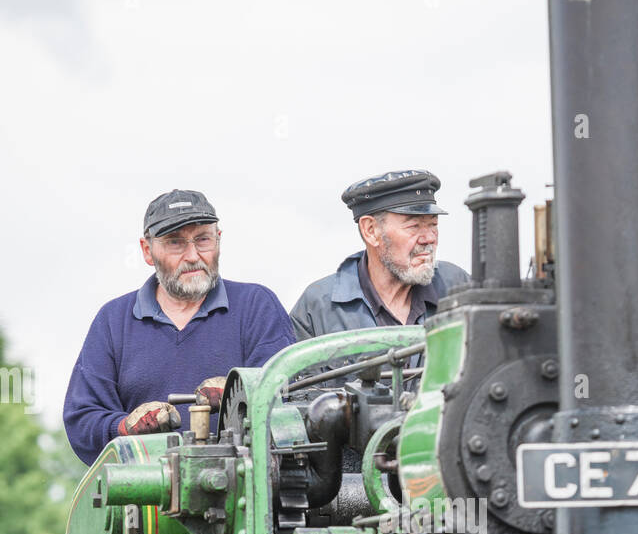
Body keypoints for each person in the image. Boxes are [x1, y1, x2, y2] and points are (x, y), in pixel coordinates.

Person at [64, 189, 295, 465]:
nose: (193, 255)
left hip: (245, 492)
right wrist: (125, 427)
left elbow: (289, 397)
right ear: (147, 251)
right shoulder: (112, 321)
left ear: (218, 240)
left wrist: (245, 390)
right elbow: (82, 420)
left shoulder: (257, 306)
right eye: (176, 243)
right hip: (145, 499)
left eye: (203, 240)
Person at [290, 170, 469, 339]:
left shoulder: (458, 287)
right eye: (414, 226)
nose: (429, 238)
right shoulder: (318, 307)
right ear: (371, 231)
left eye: (433, 225)